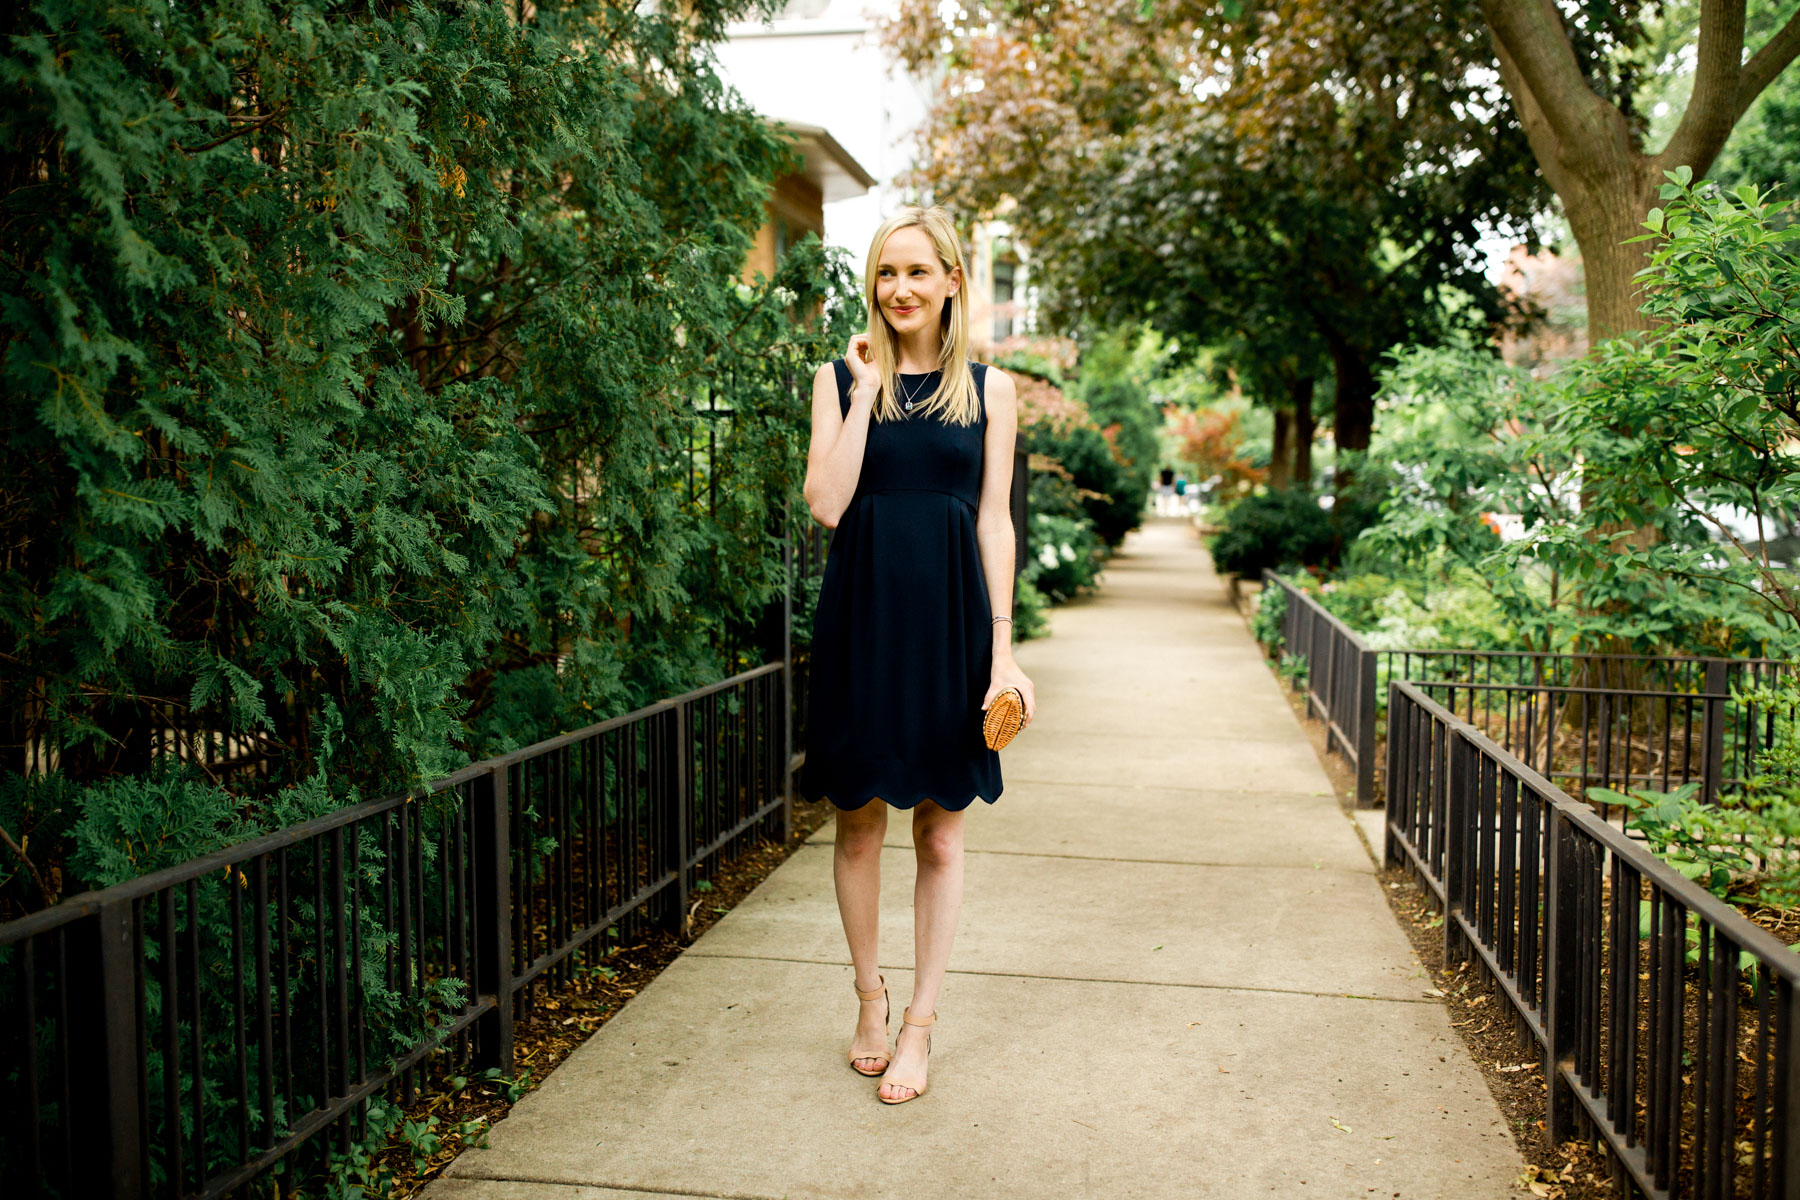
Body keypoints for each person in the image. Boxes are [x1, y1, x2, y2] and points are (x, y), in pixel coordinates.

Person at [799, 204, 1037, 1105]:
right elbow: (826, 502)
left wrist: (1002, 654)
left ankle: (920, 1026)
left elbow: (993, 522)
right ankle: (869, 998)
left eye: (914, 272)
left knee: (940, 829)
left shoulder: (991, 390)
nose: (897, 289)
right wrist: (866, 396)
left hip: (952, 631)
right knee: (857, 817)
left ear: (949, 283)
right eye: (884, 273)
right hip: (861, 623)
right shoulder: (837, 377)